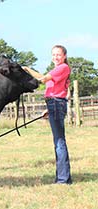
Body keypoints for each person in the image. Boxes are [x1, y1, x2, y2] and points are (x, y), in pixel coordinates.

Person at [24, 45, 72, 184]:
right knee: (57, 141)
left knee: (59, 141)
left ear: (64, 56)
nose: (55, 57)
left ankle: (63, 179)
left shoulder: (63, 68)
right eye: (53, 55)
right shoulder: (56, 70)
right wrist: (28, 69)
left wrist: (26, 73)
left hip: (56, 103)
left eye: (58, 55)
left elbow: (42, 80)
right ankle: (62, 177)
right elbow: (44, 78)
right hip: (53, 104)